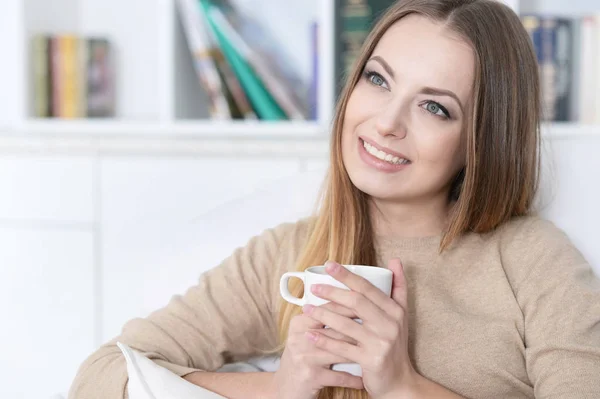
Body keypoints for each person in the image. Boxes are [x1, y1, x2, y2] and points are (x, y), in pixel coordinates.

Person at [69, 0, 600, 398]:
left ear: (482, 141)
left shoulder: (532, 260)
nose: (386, 123)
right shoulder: (292, 253)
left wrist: (400, 386)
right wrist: (278, 389)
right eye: (378, 80)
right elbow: (101, 376)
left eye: (435, 108)